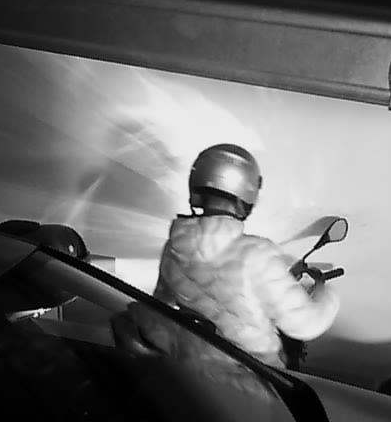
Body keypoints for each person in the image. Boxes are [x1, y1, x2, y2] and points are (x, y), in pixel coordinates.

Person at [145, 143, 340, 369]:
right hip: (254, 377)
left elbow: (161, 305)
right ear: (246, 196)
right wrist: (324, 292)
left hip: (191, 371)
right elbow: (306, 324)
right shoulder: (257, 253)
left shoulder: (172, 249)